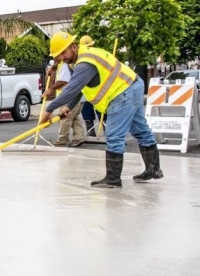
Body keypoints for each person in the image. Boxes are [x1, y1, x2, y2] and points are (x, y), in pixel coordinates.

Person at [40, 32, 163, 188]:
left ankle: (113, 179)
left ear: (74, 46)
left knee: (114, 136)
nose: (62, 57)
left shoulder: (85, 63)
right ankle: (153, 169)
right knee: (140, 130)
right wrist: (68, 106)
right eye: (58, 55)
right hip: (132, 85)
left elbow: (71, 89)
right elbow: (79, 89)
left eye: (64, 52)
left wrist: (48, 109)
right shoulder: (81, 59)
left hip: (122, 92)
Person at [43, 55, 85, 147]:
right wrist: (51, 68)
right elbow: (58, 65)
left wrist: (50, 89)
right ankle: (78, 137)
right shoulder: (64, 63)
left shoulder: (65, 65)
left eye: (55, 56)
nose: (54, 59)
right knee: (74, 118)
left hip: (69, 98)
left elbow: (63, 81)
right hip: (78, 97)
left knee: (65, 118)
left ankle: (62, 139)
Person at [78, 35, 104, 137]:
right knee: (87, 110)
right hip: (87, 90)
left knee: (101, 110)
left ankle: (106, 129)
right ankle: (90, 130)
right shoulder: (81, 59)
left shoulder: (98, 56)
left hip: (99, 89)